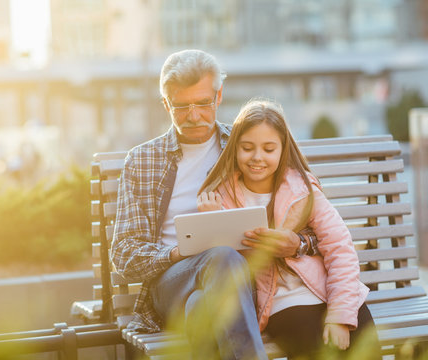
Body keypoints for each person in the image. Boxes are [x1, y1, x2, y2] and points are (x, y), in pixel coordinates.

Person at [110, 50, 318, 359]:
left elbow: (310, 223)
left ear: (218, 97)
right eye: (181, 106)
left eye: (203, 104)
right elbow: (124, 254)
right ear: (166, 104)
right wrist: (176, 253)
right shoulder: (142, 161)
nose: (194, 116)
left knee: (201, 310)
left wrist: (299, 243)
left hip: (241, 286)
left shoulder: (245, 147)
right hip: (172, 283)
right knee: (222, 257)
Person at [197, 99, 381, 359]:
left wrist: (339, 315)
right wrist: (212, 224)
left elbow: (340, 247)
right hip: (281, 304)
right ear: (234, 148)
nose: (257, 157)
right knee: (317, 350)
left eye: (269, 149)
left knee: (366, 346)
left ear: (283, 150)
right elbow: (219, 267)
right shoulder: (222, 198)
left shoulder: (301, 190)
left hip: (328, 290)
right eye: (247, 148)